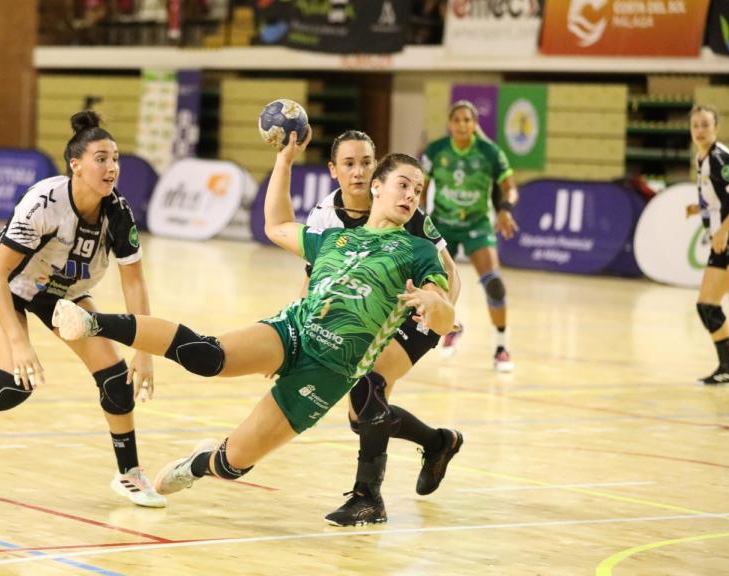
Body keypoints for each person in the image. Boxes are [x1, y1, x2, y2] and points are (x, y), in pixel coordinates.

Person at [53, 128, 457, 514]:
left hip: (331, 368)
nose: (411, 194)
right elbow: (277, 227)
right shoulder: (333, 232)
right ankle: (93, 323)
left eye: (418, 189)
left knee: (234, 462)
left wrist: (434, 305)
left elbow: (443, 310)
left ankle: (198, 464)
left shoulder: (418, 249)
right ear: (376, 186)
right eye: (403, 184)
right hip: (296, 329)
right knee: (207, 356)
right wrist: (284, 160)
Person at [0, 110, 167, 507]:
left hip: (63, 291)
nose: (112, 167)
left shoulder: (119, 213)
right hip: (7, 283)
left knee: (116, 378)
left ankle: (128, 474)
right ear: (76, 165)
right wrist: (19, 342)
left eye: (115, 158)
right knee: (14, 382)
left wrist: (144, 350)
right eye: (101, 158)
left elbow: (135, 283)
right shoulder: (44, 203)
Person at [305, 130, 464, 526]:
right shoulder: (324, 216)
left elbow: (449, 271)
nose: (358, 172)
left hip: (416, 311)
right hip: (369, 312)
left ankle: (368, 498)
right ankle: (438, 442)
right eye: (349, 164)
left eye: (366, 163)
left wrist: (439, 312)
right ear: (334, 170)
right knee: (361, 416)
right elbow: (315, 280)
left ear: (377, 175)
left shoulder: (405, 208)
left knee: (368, 382)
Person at [421, 100, 519, 371]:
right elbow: (420, 187)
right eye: (457, 120)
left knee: (494, 283)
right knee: (436, 283)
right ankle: (452, 326)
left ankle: (501, 348)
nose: (462, 125)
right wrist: (419, 219)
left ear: (475, 125)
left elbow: (510, 188)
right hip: (442, 225)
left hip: (477, 224)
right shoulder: (436, 150)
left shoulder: (490, 152)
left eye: (468, 120)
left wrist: (505, 210)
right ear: (449, 124)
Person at [685, 104, 729, 393]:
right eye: (695, 125)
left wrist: (724, 229)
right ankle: (727, 368)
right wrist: (698, 209)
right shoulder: (702, 158)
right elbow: (720, 198)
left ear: (716, 128)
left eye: (705, 125)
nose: (700, 130)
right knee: (707, 306)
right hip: (722, 238)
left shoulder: (720, 157)